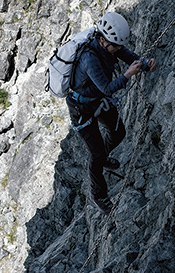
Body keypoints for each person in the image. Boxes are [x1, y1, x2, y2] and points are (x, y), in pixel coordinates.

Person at [66, 11, 156, 214]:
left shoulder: (111, 46)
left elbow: (129, 56)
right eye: (114, 46)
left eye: (118, 46)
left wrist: (145, 64)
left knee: (118, 133)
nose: (117, 49)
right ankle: (98, 196)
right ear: (102, 40)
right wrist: (127, 75)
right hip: (81, 107)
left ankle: (102, 157)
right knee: (95, 154)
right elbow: (107, 87)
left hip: (96, 100)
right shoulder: (89, 59)